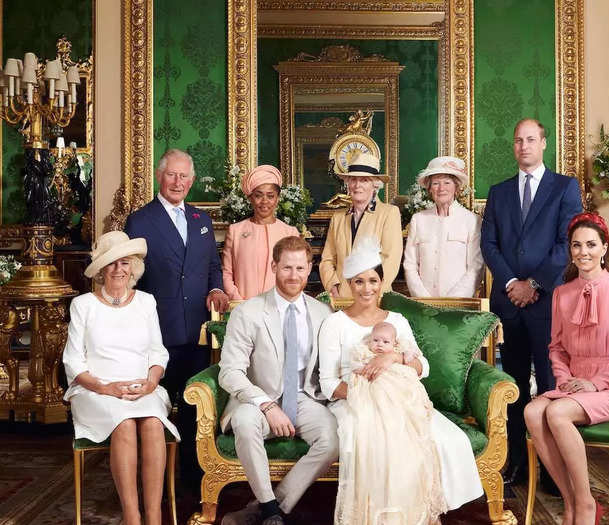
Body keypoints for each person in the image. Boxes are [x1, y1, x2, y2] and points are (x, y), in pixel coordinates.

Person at [319, 236, 483, 524]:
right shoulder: (334, 323)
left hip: (403, 398)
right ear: (348, 284)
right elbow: (328, 383)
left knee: (444, 438)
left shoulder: (396, 320)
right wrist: (368, 396)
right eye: (358, 281)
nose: (366, 288)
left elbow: (424, 366)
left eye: (372, 280)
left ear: (381, 283)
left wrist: (393, 358)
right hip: (355, 400)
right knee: (378, 442)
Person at [524, 213, 609, 525]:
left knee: (556, 413)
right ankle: (571, 501)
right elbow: (557, 348)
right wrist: (564, 380)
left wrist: (594, 384)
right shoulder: (563, 294)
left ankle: (586, 504)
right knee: (532, 412)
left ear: (604, 247)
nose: (583, 252)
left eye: (591, 244)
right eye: (577, 245)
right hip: (573, 386)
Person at [480, 118, 582, 489]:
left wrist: (534, 283)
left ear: (543, 144)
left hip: (548, 303)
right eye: (518, 140)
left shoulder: (564, 187)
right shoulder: (498, 191)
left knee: (552, 383)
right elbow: (489, 244)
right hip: (509, 303)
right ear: (514, 146)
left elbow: (565, 243)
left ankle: (555, 472)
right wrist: (511, 283)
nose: (523, 146)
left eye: (531, 139)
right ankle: (517, 464)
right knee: (514, 385)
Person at [124, 148, 229, 493]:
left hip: (196, 331)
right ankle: (153, 480)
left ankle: (192, 479)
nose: (178, 182)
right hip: (157, 331)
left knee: (194, 407)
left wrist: (216, 288)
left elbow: (213, 266)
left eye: (184, 176)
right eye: (172, 175)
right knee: (155, 408)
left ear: (192, 181)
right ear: (160, 176)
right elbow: (131, 277)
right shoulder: (140, 221)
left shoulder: (202, 220)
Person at [63, 231, 181, 525]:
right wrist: (105, 387)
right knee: (124, 423)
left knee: (153, 423)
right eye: (112, 263)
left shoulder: (146, 302)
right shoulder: (83, 305)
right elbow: (73, 360)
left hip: (142, 387)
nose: (119, 269)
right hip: (96, 390)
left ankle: (154, 515)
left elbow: (157, 353)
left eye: (124, 263)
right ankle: (132, 514)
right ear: (102, 269)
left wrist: (152, 383)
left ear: (134, 268)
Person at [219, 236, 338, 525]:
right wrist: (266, 405)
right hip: (258, 398)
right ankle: (271, 511)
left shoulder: (324, 314)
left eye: (300, 268)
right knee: (244, 423)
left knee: (332, 439)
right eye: (286, 268)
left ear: (310, 268)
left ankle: (270, 507)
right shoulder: (248, 312)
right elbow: (229, 372)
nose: (294, 275)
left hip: (304, 397)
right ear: (274, 266)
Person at [339, 317, 447, 524]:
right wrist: (365, 368)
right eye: (376, 341)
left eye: (385, 342)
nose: (379, 345)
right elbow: (353, 368)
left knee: (405, 399)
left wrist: (396, 357)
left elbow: (420, 366)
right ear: (369, 341)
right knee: (376, 405)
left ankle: (408, 504)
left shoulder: (400, 344)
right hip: (373, 388)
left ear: (395, 343)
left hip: (398, 385)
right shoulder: (363, 351)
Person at [319, 152, 403, 297]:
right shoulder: (338, 218)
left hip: (375, 298)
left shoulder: (389, 213)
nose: (357, 185)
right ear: (347, 183)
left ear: (375, 185)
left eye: (364, 180)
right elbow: (327, 259)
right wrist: (333, 288)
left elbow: (391, 259)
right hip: (341, 299)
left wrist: (372, 293)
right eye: (353, 180)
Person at [404, 156, 484, 297]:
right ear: (429, 189)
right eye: (435, 183)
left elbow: (476, 267)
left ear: (456, 188)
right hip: (424, 303)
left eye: (447, 183)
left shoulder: (471, 220)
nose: (441, 188)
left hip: (459, 304)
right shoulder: (419, 219)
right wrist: (423, 299)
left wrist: (454, 301)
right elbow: (410, 264)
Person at [221, 165, 299, 300]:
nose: (264, 201)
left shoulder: (290, 233)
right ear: (250, 198)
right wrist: (238, 301)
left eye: (270, 196)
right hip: (243, 307)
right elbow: (226, 272)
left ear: (278, 198)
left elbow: (296, 274)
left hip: (279, 307)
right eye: (258, 195)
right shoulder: (235, 231)